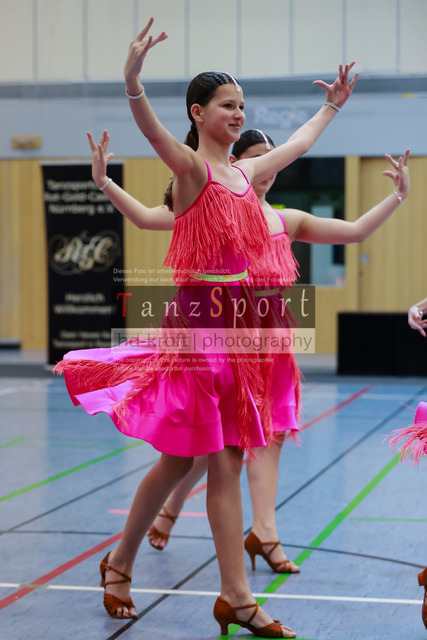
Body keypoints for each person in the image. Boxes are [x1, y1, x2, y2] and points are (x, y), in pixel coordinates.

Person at [55, 18, 358, 638]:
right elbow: (152, 133)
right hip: (196, 331)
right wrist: (133, 81)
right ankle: (230, 596)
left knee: (193, 461)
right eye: (227, 104)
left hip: (238, 333)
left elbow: (298, 143)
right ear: (199, 112)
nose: (238, 113)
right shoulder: (192, 171)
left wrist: (331, 107)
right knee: (212, 458)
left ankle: (133, 566)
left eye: (242, 105)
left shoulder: (245, 177)